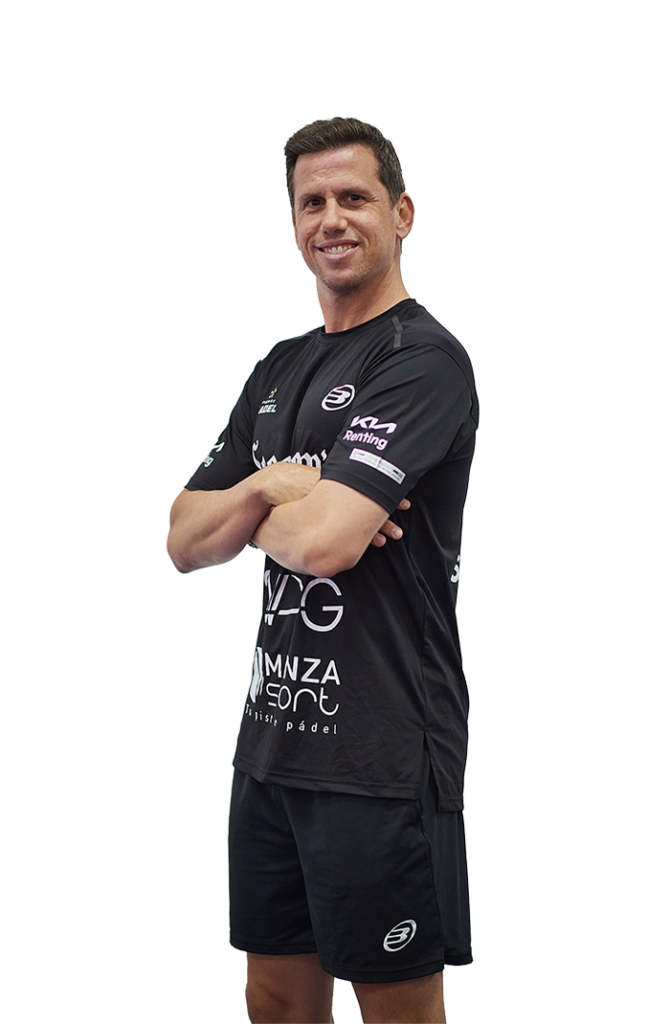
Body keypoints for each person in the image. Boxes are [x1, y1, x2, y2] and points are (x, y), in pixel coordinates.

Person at [166, 116, 478, 1024]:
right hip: (271, 746)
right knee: (274, 996)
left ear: (402, 213)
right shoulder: (280, 365)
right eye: (311, 203)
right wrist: (273, 486)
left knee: (395, 1006)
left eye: (354, 197)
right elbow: (182, 540)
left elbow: (328, 545)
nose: (331, 218)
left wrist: (255, 516)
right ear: (294, 223)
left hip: (382, 754)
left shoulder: (423, 360)